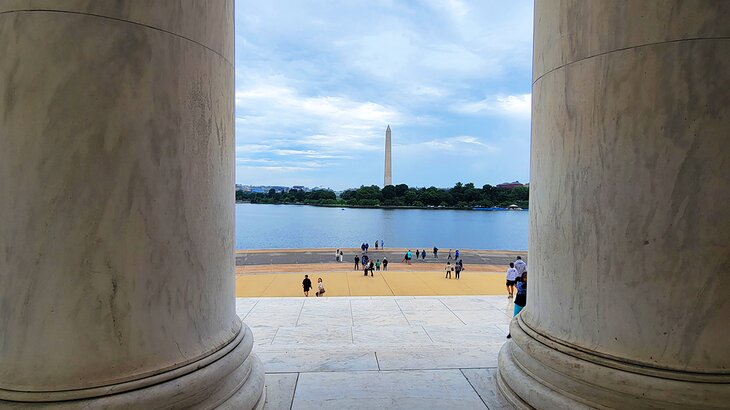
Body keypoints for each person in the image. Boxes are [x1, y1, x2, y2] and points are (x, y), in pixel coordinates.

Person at [507, 272, 527, 339]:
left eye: (527, 278)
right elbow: (521, 288)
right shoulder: (520, 283)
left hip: (526, 304)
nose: (526, 279)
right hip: (518, 303)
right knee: (515, 318)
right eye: (525, 277)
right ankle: (511, 332)